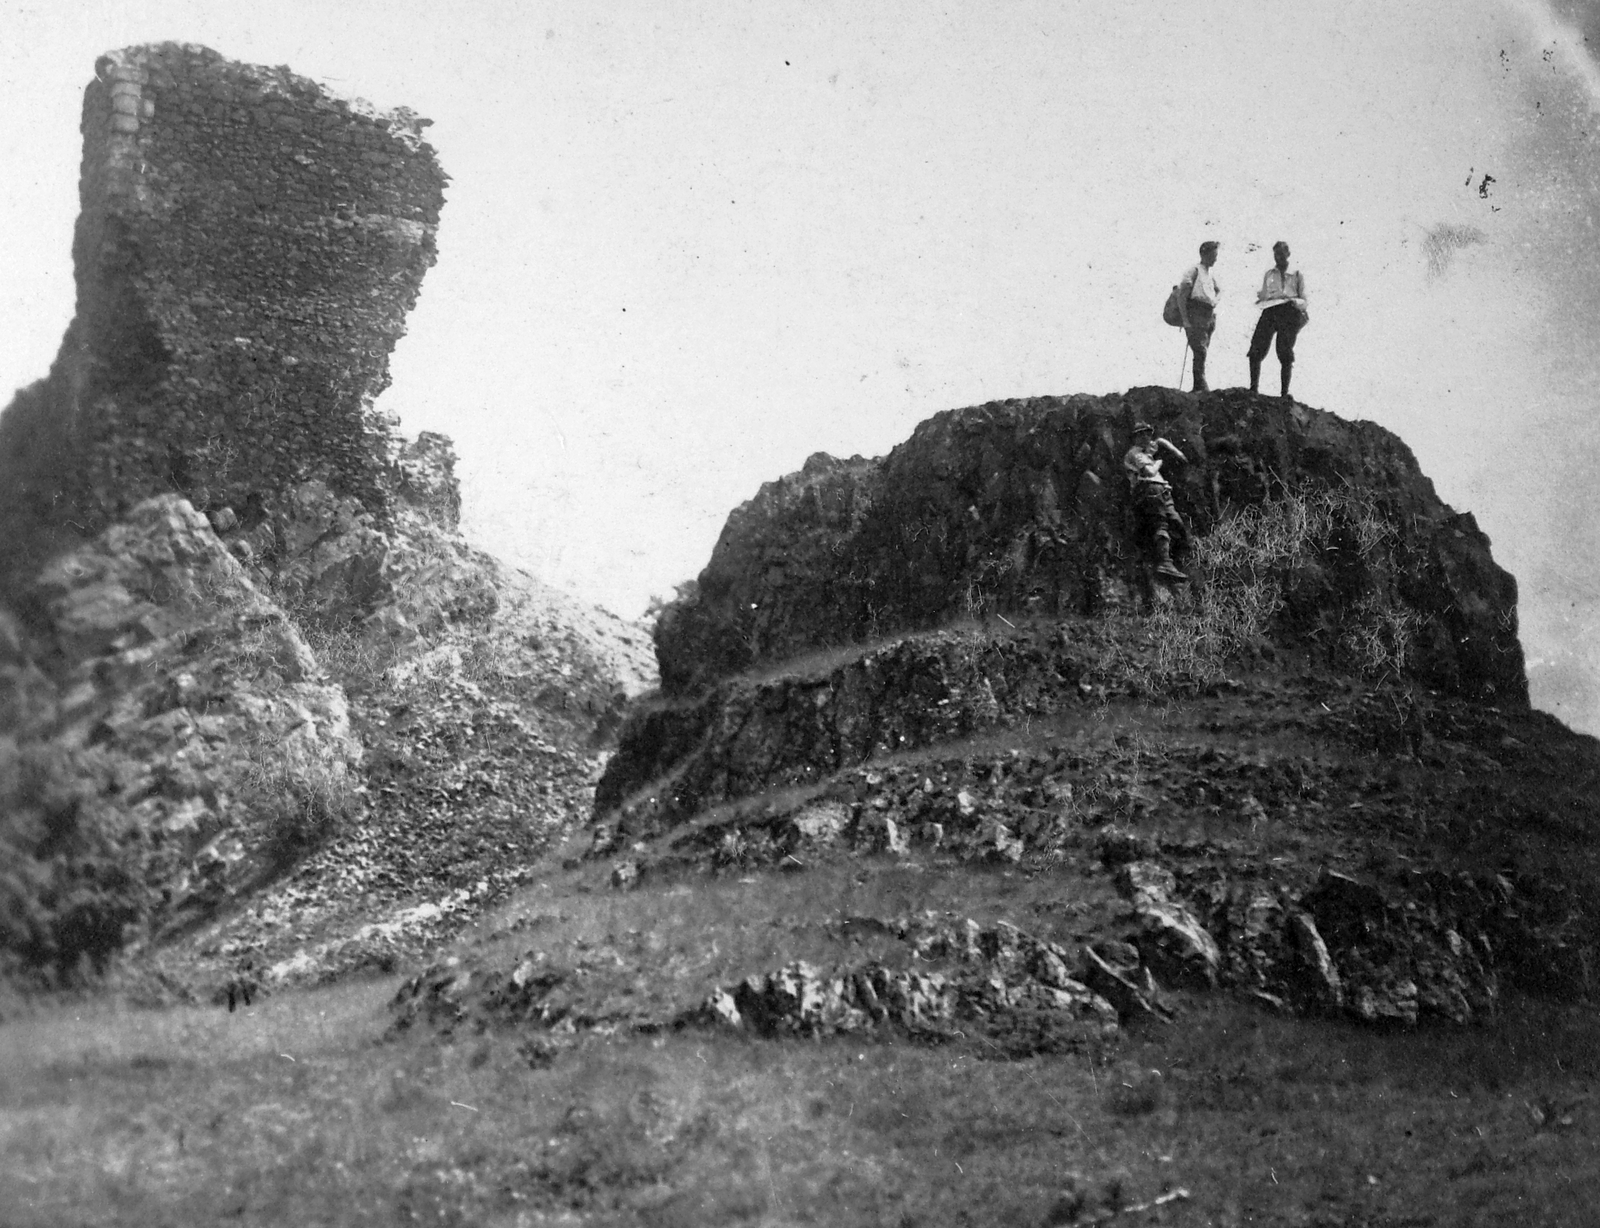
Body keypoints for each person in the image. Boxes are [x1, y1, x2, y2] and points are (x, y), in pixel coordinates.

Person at [1122, 421, 1189, 580]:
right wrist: (1157, 460)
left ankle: (1175, 561)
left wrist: (1174, 452)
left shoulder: (1146, 453)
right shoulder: (1135, 453)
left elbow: (1164, 446)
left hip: (1162, 490)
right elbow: (1150, 472)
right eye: (1141, 434)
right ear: (1135, 437)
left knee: (1176, 523)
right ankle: (1164, 563)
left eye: (1148, 433)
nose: (1146, 437)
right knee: (1161, 523)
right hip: (1149, 488)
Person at [1248, 241, 1307, 399]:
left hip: (1289, 312)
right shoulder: (1270, 274)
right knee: (1256, 347)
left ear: (1288, 254)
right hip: (1271, 310)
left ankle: (1284, 393)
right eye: (1276, 255)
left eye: (1281, 254)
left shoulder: (1296, 274)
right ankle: (1253, 389)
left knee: (1285, 351)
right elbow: (1265, 294)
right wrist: (1260, 296)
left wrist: (1295, 302)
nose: (1278, 258)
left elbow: (1305, 299)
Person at [1175, 241, 1221, 391]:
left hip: (1208, 315)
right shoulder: (1194, 271)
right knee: (1199, 350)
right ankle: (1201, 386)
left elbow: (1219, 290)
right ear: (1204, 254)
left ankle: (1198, 386)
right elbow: (1182, 296)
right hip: (1196, 313)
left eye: (1216, 255)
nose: (1215, 259)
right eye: (1213, 255)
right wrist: (1186, 321)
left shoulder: (1210, 274)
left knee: (1203, 351)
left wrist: (1215, 301)